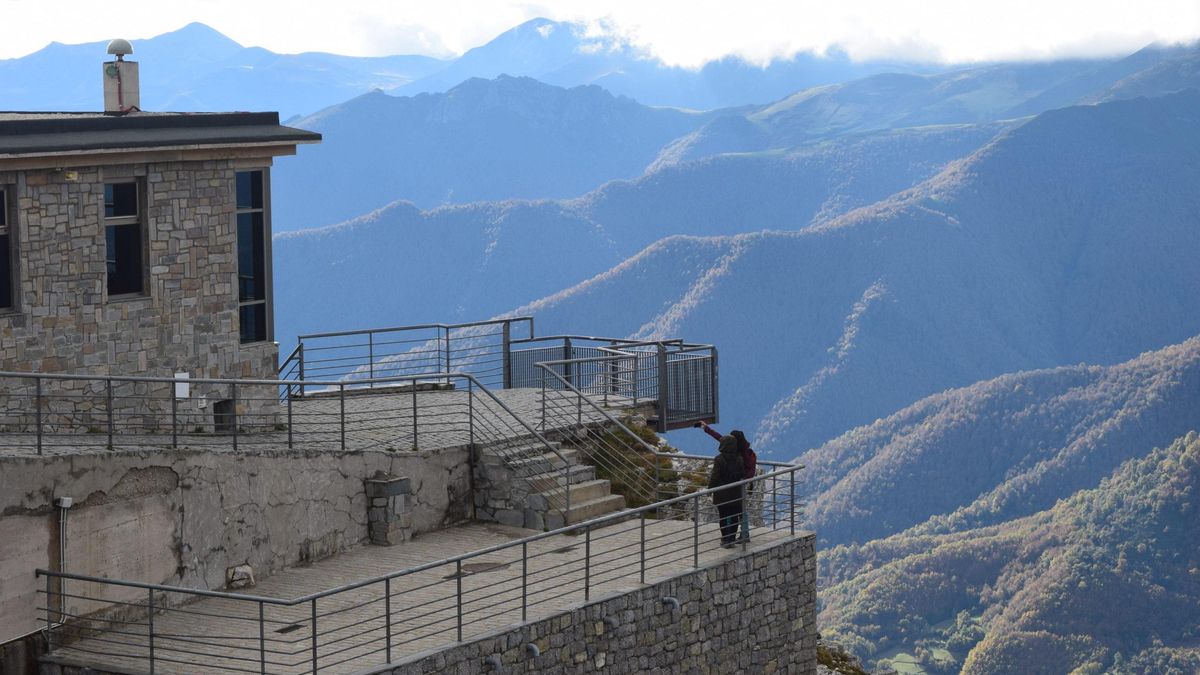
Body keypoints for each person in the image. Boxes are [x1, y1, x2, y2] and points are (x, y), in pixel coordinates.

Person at [708, 434, 745, 548]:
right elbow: (742, 473)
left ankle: (725, 539)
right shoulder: (739, 458)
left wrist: (710, 488)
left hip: (722, 493)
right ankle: (732, 539)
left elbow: (715, 476)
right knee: (734, 516)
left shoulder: (719, 459)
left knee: (723, 516)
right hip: (735, 492)